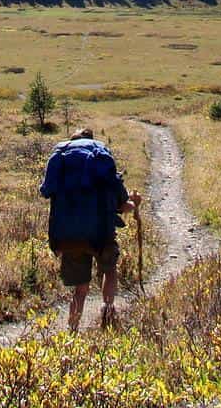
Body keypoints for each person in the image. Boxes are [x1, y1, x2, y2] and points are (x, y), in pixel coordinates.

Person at [39, 128, 142, 331]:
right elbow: (123, 206)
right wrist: (134, 202)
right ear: (91, 140)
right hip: (100, 233)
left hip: (67, 233)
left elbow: (46, 191)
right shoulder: (100, 160)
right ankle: (107, 310)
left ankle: (72, 331)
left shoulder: (62, 161)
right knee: (109, 270)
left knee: (80, 288)